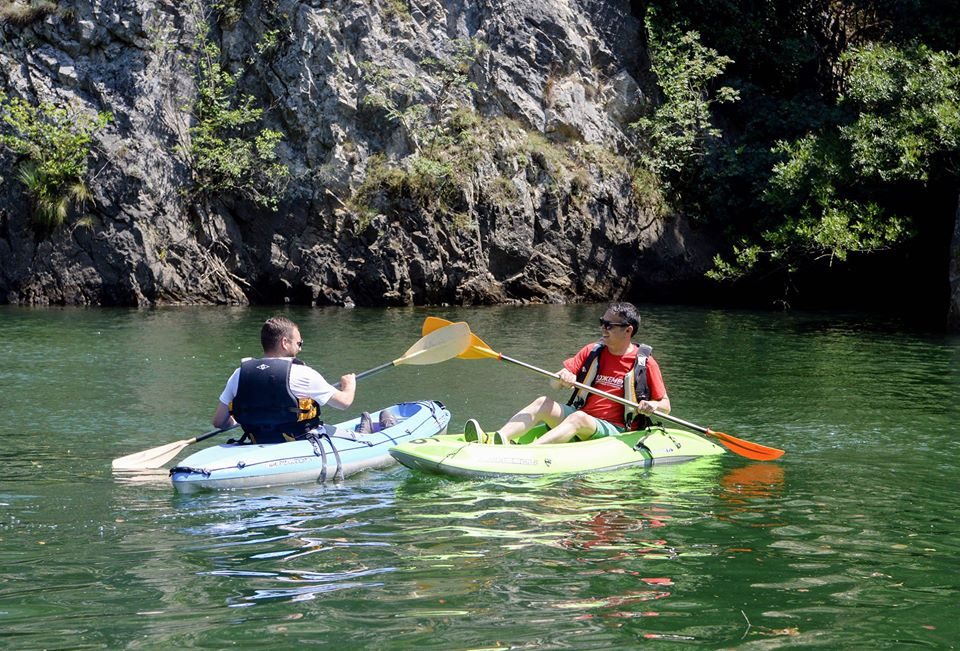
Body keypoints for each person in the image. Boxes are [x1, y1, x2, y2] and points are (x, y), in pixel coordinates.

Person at [464, 302, 671, 445]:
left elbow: (666, 406)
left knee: (579, 417)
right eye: (602, 322)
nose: (603, 329)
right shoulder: (592, 351)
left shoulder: (645, 363)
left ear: (628, 330)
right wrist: (562, 378)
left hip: (616, 429)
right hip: (583, 419)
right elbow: (554, 383)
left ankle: (529, 453)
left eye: (609, 325)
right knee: (542, 402)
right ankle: (496, 439)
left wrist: (653, 405)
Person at [212, 316, 357, 444]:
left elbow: (219, 422)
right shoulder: (304, 374)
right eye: (299, 343)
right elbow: (344, 403)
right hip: (299, 444)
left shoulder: (239, 374)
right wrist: (349, 385)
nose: (300, 349)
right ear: (285, 342)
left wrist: (247, 418)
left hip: (258, 441)